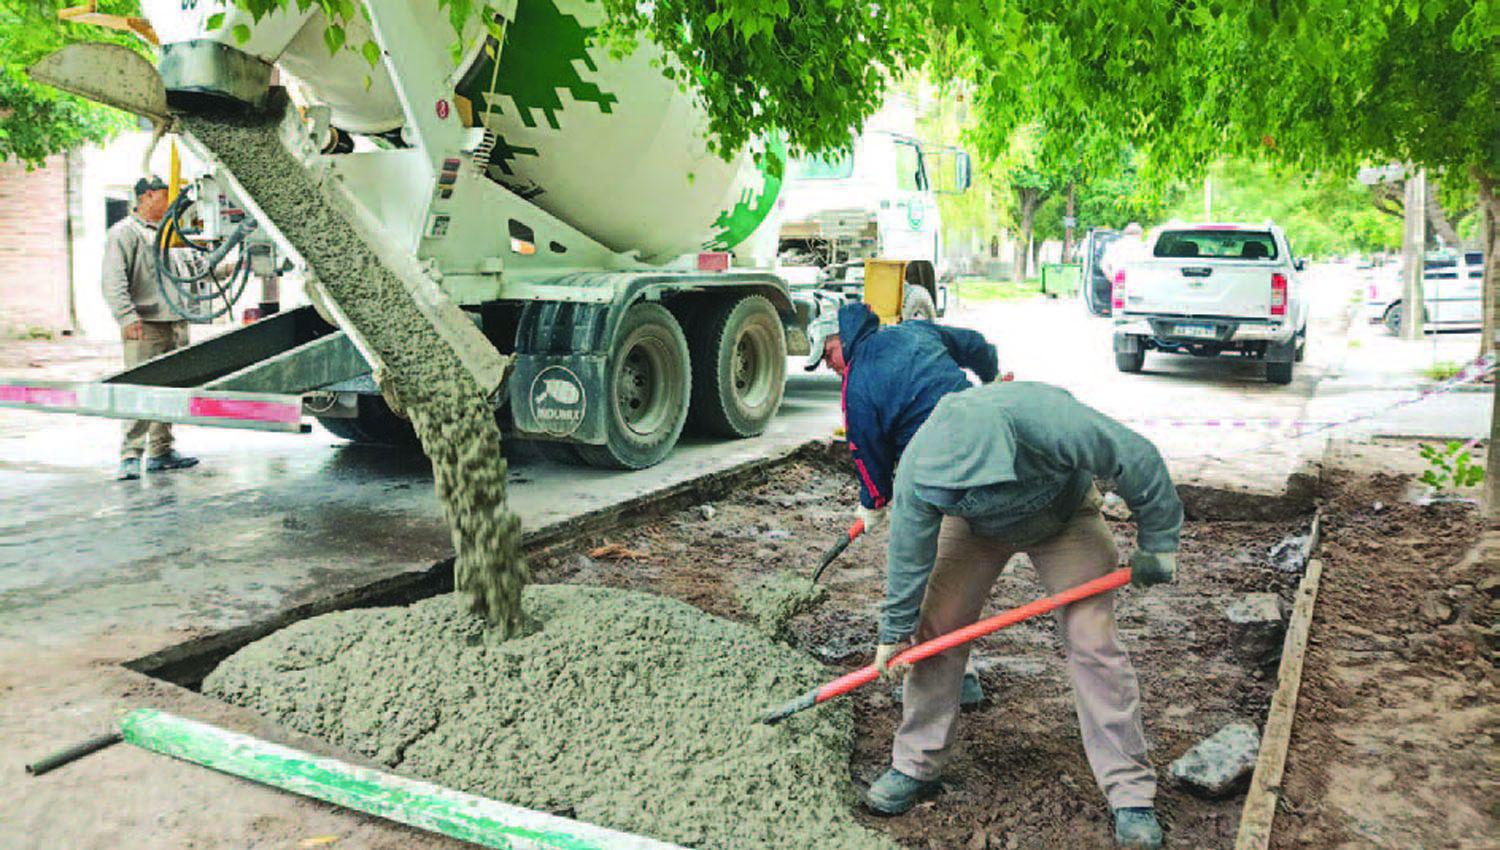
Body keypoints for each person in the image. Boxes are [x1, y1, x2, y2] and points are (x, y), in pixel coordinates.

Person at [864, 381, 1182, 850]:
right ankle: (916, 761)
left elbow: (1138, 459)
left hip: (1063, 518)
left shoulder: (1049, 421)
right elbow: (909, 553)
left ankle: (1130, 792)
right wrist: (894, 632)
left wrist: (1158, 544)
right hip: (974, 531)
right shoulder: (919, 470)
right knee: (936, 633)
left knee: (1093, 641)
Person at [822, 301, 1006, 705]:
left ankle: (954, 678)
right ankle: (960, 672)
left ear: (841, 340)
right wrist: (990, 381)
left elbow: (864, 450)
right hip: (990, 443)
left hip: (939, 471)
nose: (829, 366)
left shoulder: (856, 387)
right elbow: (976, 345)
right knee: (956, 563)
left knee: (930, 566)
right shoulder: (914, 331)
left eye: (828, 354)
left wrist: (872, 503)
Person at [103, 176, 200, 481]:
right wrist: (126, 317)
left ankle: (161, 451)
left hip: (175, 322)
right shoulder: (125, 233)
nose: (170, 202)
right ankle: (131, 454)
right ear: (145, 197)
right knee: (140, 389)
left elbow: (197, 269)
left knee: (171, 389)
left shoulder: (171, 234)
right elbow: (112, 279)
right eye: (163, 195)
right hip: (146, 326)